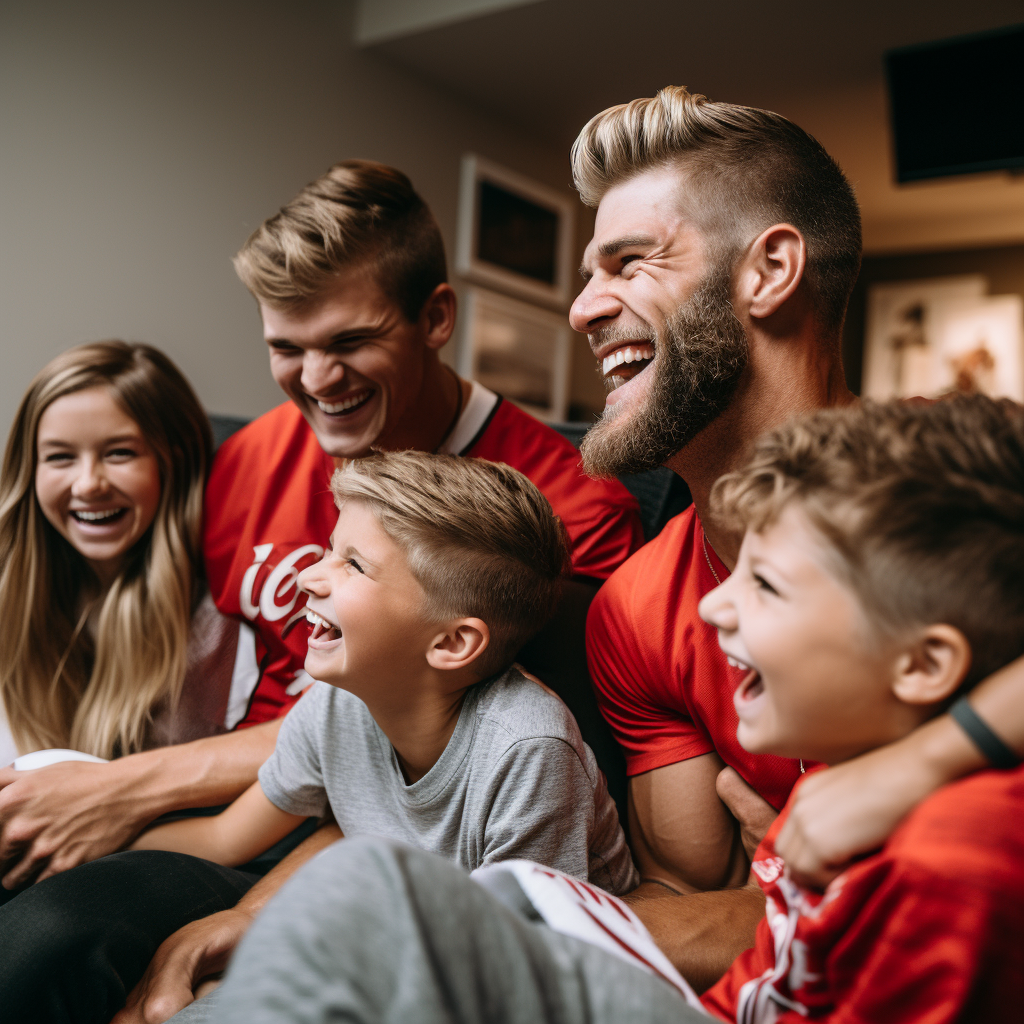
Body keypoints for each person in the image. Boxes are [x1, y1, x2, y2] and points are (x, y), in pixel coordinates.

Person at [0, 161, 642, 1024]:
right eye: (285, 348)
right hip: (256, 809)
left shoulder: (566, 513)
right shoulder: (249, 458)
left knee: (43, 943)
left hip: (385, 839)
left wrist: (130, 790)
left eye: (349, 342)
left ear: (436, 318)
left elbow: (471, 756)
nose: (315, 379)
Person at [195, 394, 1024, 1024]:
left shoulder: (958, 856)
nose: (712, 611)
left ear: (923, 664)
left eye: (766, 585)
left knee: (370, 892)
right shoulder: (845, 789)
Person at [564, 84, 1024, 987]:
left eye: (628, 262)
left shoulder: (979, 477)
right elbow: (685, 896)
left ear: (769, 271)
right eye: (590, 274)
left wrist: (915, 769)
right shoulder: (633, 609)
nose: (583, 307)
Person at [133, 451, 634, 897]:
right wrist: (72, 849)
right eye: (330, 548)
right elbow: (223, 839)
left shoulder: (527, 752)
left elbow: (513, 959)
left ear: (451, 644)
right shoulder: (335, 705)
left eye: (353, 565)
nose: (308, 576)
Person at [0, 340, 213, 792]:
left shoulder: (219, 620)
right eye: (59, 456)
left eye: (119, 453)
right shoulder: (12, 597)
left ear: (174, 462)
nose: (88, 483)